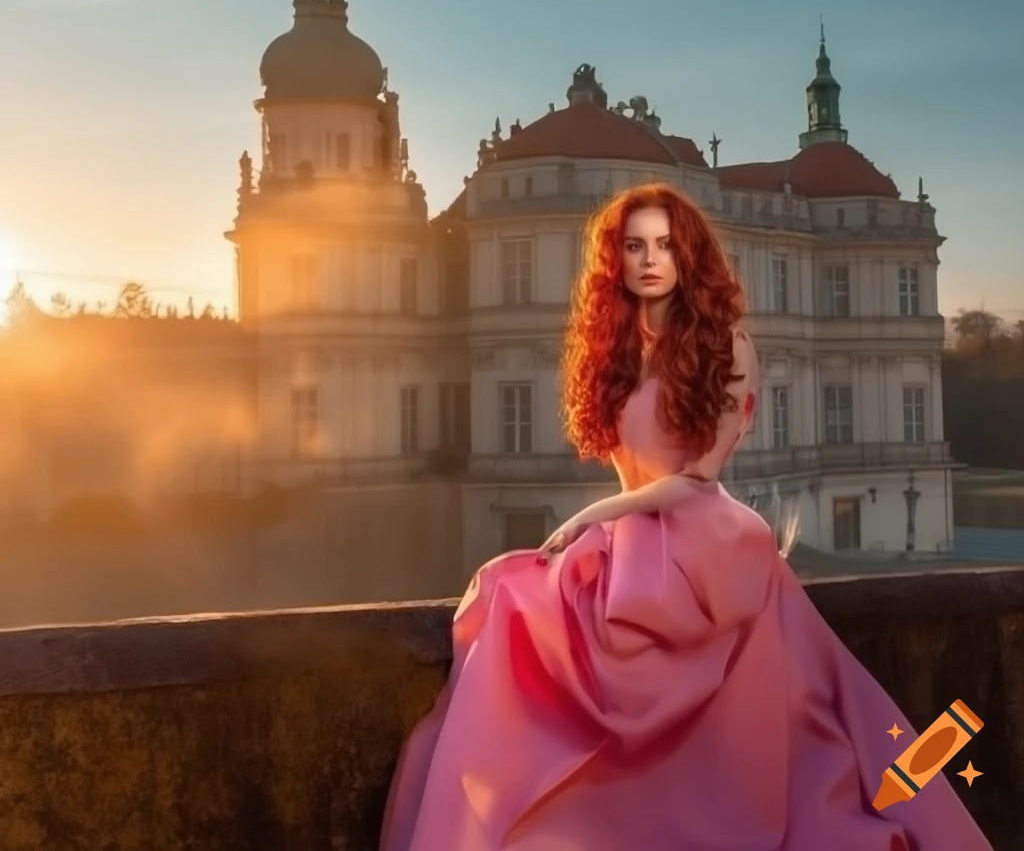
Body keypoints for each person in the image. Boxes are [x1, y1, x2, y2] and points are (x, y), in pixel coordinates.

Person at [381, 183, 991, 850]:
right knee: (507, 594)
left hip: (706, 540)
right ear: (615, 260)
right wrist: (607, 523)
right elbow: (628, 466)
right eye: (634, 246)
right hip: (629, 542)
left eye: (665, 246)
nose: (650, 260)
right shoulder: (614, 350)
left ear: (688, 255)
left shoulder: (729, 345)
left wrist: (598, 513)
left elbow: (698, 476)